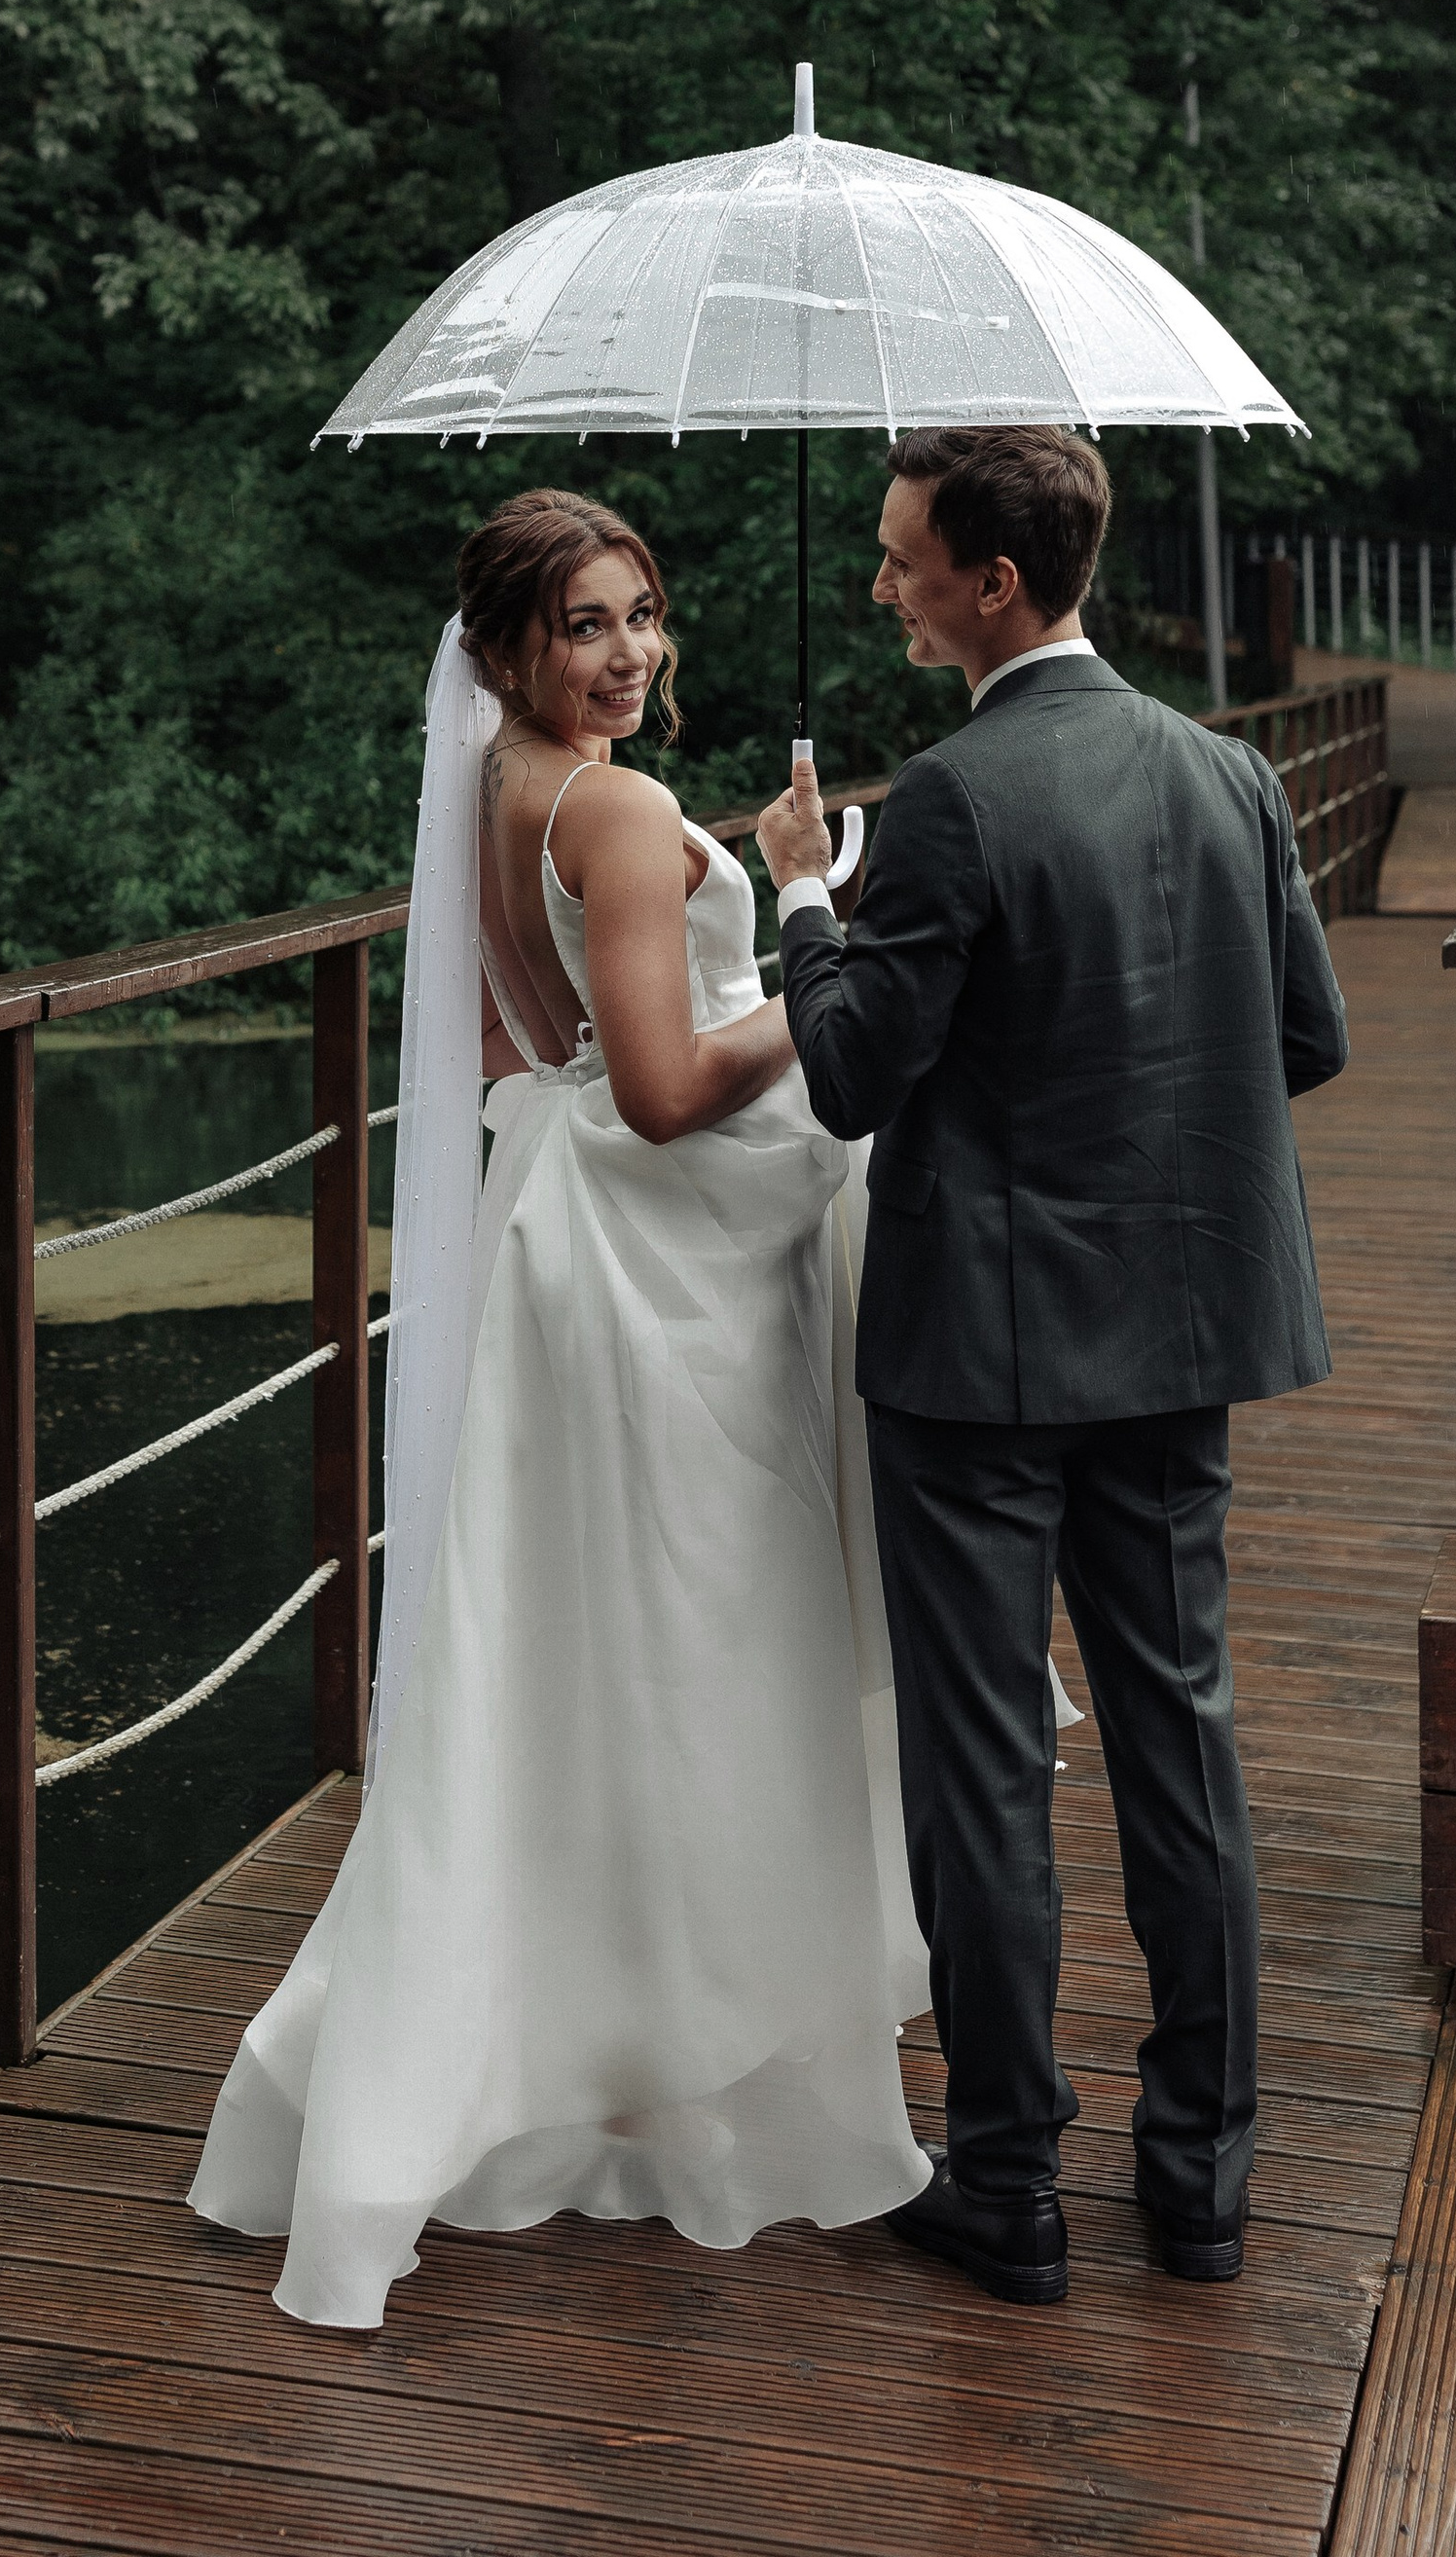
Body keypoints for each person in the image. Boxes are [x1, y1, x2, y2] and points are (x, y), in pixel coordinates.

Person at [189, 487, 933, 2327]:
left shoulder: (498, 789)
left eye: (643, 615)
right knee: (689, 1659)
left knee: (582, 1669)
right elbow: (669, 1085)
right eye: (588, 625)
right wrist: (833, 938)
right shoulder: (602, 805)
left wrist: (757, 877)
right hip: (660, 1271)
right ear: (512, 647)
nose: (630, 652)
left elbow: (562, 1055)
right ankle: (673, 2067)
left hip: (582, 1241)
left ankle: (571, 2049)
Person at [755, 424, 1348, 2308]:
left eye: (902, 557)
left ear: (993, 582)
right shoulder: (1231, 776)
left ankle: (1008, 2186)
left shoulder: (942, 799)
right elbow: (1307, 1041)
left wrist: (800, 901)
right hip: (1179, 1338)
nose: (882, 584)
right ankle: (1206, 2188)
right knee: (1183, 1742)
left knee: (985, 1767)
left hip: (982, 1364)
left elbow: (852, 1078)